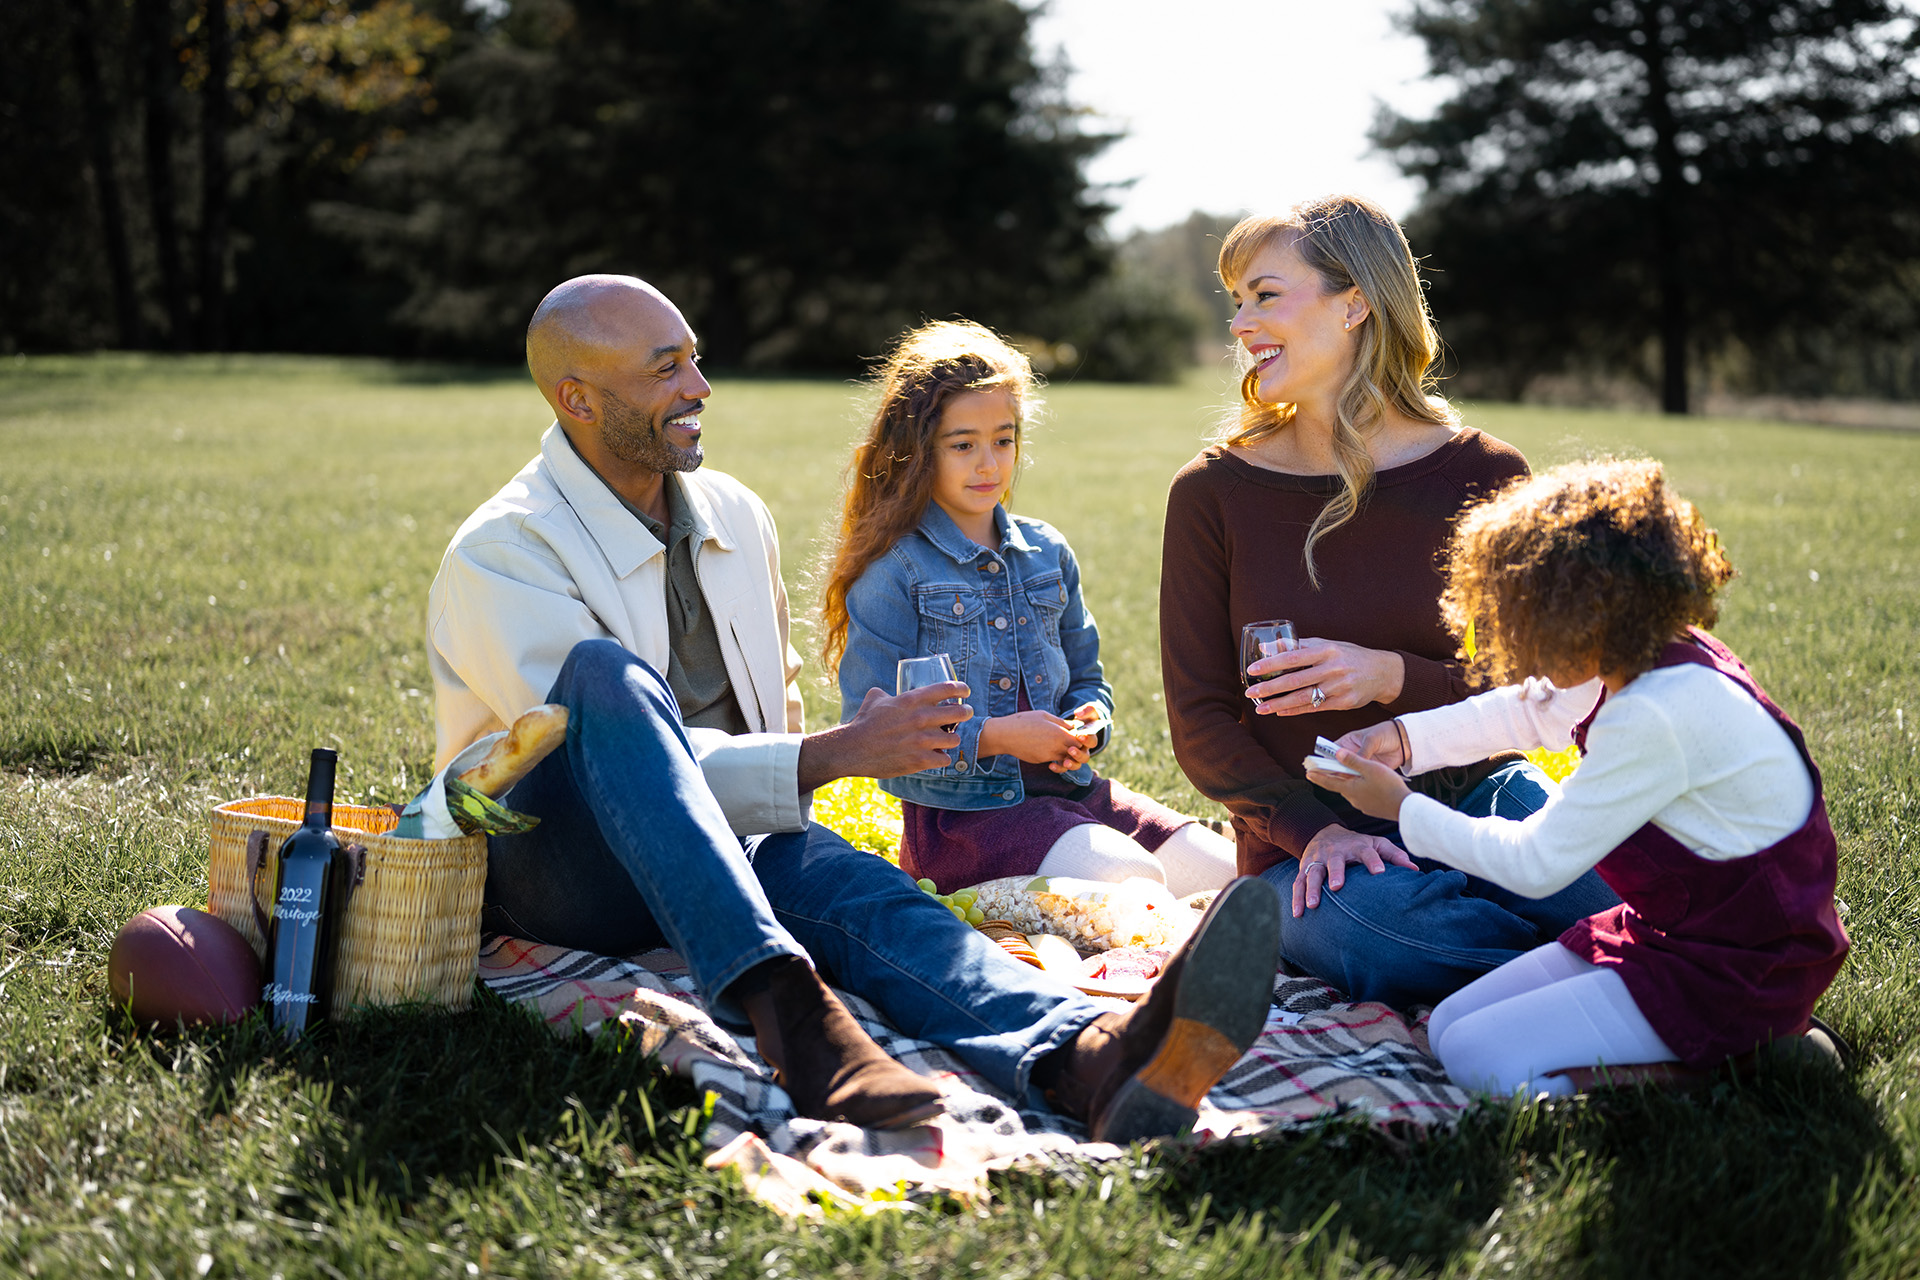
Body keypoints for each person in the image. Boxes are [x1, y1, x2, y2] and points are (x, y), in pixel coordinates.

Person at [427, 274, 1282, 1141]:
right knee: (603, 677)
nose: (700, 386)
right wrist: (834, 755)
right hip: (565, 869)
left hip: (736, 835)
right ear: (577, 398)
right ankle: (792, 1013)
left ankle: (1087, 1060)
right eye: (665, 369)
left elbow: (777, 704)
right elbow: (595, 764)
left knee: (877, 900)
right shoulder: (505, 550)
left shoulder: (734, 513)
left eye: (694, 359)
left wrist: (806, 796)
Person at [1158, 195, 1618, 1010]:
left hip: (1474, 796)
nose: (1240, 323)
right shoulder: (1212, 492)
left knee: (1622, 896)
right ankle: (1627, 983)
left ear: (1355, 304)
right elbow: (1200, 722)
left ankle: (1636, 971)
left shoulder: (1485, 476)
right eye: (1236, 300)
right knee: (1392, 937)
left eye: (1265, 295)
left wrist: (1391, 677)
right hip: (1304, 845)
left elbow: (1535, 685)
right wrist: (1315, 831)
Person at [1310, 459, 1849, 1094]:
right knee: (1451, 1025)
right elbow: (1529, 710)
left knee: (1480, 1062)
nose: (1515, 654)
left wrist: (1402, 808)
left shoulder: (1656, 712)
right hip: (1675, 932)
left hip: (1743, 966)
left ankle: (1745, 1062)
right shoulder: (1640, 651)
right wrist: (1403, 740)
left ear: (1585, 615)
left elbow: (1536, 863)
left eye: (1526, 630)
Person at [820, 320, 1237, 897]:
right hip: (966, 824)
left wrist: (1090, 721)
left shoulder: (1047, 551)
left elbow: (1088, 679)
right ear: (917, 451)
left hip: (1077, 795)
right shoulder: (895, 571)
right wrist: (997, 736)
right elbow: (869, 732)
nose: (988, 464)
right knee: (1135, 880)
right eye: (962, 444)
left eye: (1004, 439)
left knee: (1237, 876)